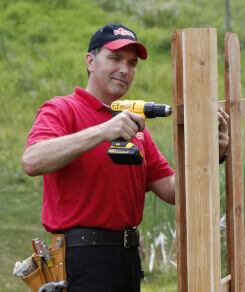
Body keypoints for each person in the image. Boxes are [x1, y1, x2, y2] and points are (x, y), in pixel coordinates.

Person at [22, 24, 229, 291]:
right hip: (80, 259)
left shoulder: (134, 126)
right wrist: (103, 131)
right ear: (90, 61)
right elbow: (31, 160)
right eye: (115, 58)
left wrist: (213, 155)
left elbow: (172, 190)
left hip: (128, 258)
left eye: (132, 63)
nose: (124, 69)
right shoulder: (62, 109)